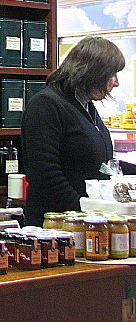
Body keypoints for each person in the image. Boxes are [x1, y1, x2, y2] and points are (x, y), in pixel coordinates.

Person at [21, 36, 125, 226]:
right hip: (56, 226)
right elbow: (45, 175)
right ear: (93, 72)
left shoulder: (86, 106)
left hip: (84, 222)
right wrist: (83, 213)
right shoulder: (46, 105)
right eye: (112, 75)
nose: (116, 83)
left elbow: (102, 165)